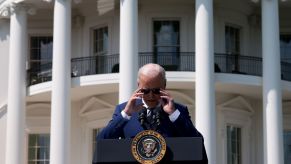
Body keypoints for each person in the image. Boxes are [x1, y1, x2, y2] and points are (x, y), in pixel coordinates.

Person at [96, 63, 207, 162]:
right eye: (145, 90)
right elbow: (102, 140)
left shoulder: (178, 110)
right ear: (138, 86)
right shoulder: (123, 110)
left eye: (156, 90)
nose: (151, 95)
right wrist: (126, 114)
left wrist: (173, 114)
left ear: (164, 86)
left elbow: (197, 142)